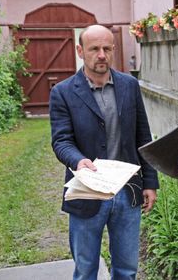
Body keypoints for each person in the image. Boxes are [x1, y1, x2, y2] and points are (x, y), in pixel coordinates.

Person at [49, 25, 158, 279]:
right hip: (87, 192)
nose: (101, 55)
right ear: (80, 51)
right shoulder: (63, 93)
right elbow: (61, 141)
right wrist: (78, 161)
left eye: (107, 49)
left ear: (113, 50)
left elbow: (143, 137)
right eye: (94, 49)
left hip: (127, 192)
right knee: (86, 270)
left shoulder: (129, 85)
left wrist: (150, 183)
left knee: (127, 270)